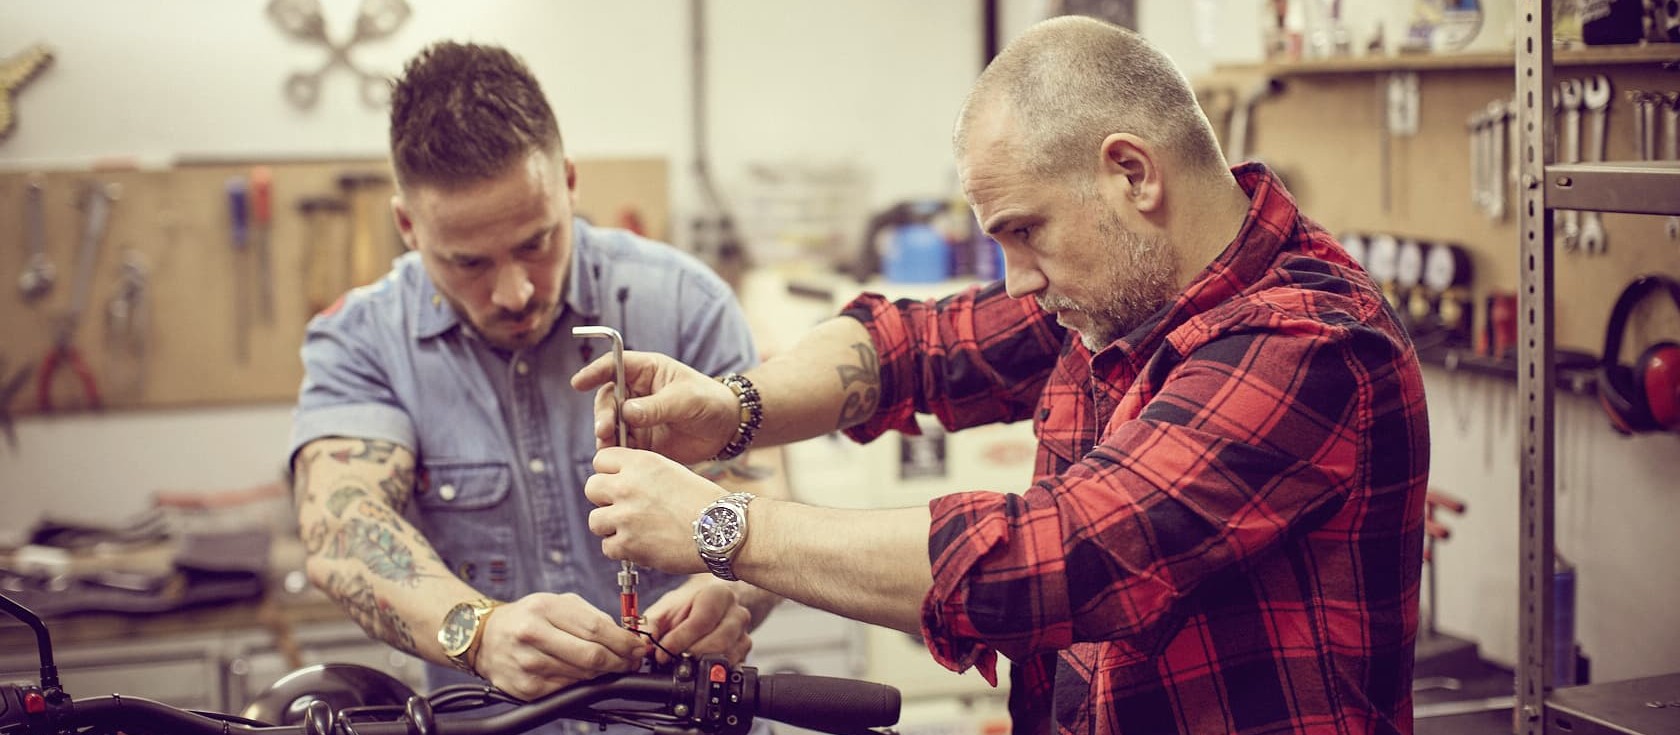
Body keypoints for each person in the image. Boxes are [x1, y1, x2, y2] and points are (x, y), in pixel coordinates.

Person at [573, 16, 1429, 735]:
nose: (1016, 278)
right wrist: (731, 410)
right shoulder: (1121, 288)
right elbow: (907, 343)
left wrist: (721, 525)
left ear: (1131, 173)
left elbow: (1058, 558)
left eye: (1024, 230)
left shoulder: (1310, 343)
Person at [288, 40, 786, 722]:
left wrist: (728, 590)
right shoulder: (360, 342)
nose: (516, 290)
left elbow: (760, 494)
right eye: (469, 262)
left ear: (568, 182)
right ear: (408, 225)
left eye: (537, 241)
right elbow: (343, 532)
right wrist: (477, 629)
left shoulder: (686, 304)